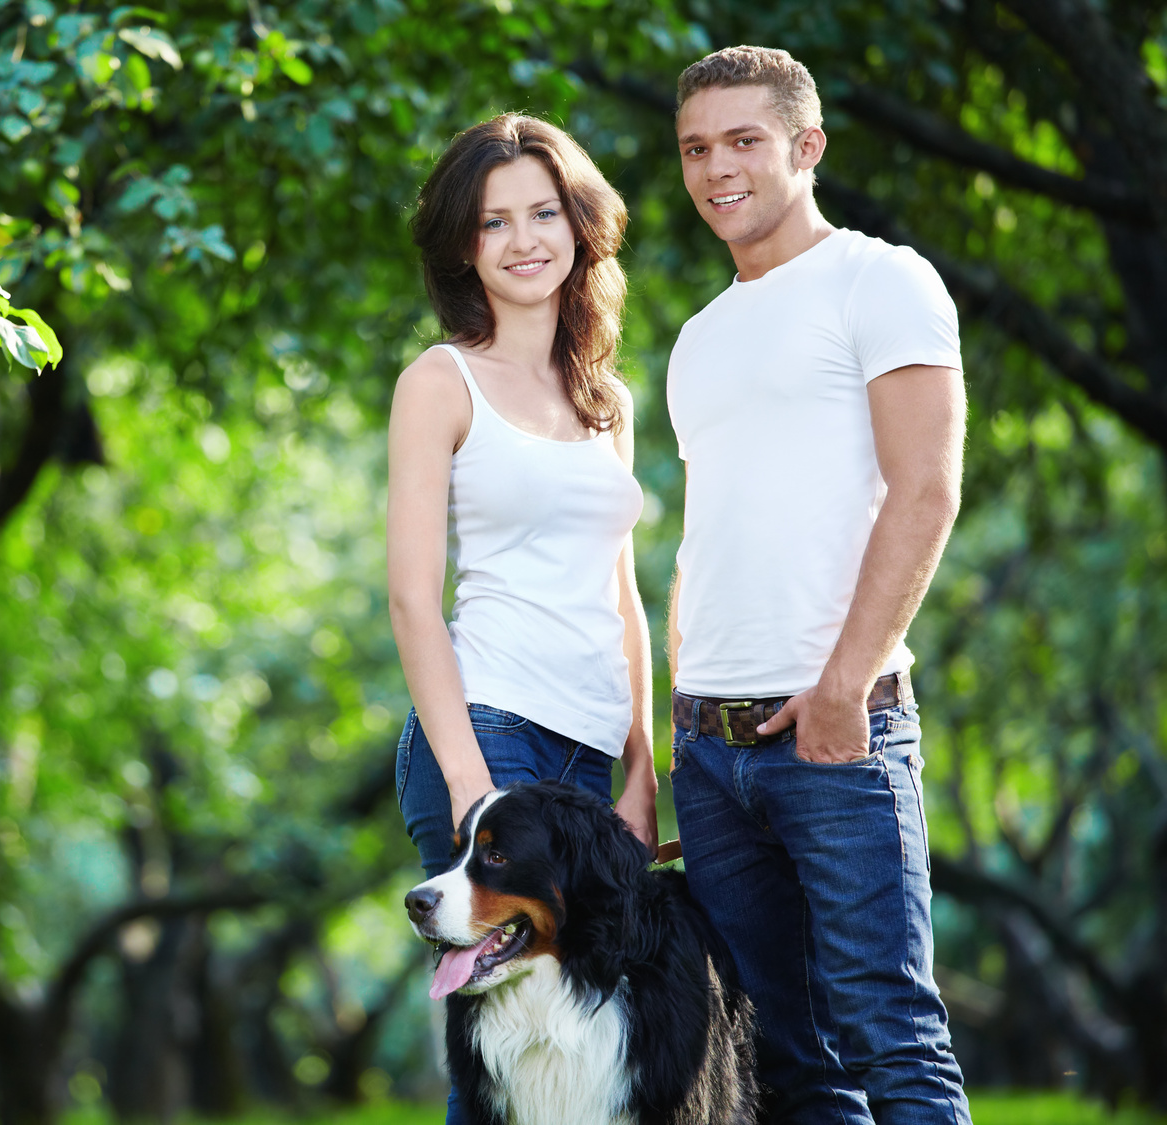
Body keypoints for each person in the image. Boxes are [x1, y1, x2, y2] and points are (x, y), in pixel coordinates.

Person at [665, 46, 971, 1125]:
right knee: (780, 1061)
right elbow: (717, 535)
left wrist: (843, 685)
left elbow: (925, 488)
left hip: (834, 733)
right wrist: (680, 716)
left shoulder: (878, 280)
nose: (716, 170)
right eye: (696, 148)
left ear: (806, 146)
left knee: (888, 1030)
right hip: (708, 751)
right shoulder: (696, 339)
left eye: (743, 141)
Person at [386, 113, 657, 1118]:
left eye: (543, 213)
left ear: (578, 227)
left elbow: (619, 592)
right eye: (494, 222)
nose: (524, 239)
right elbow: (412, 598)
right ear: (465, 245)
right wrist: (468, 783)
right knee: (498, 1051)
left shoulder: (606, 402)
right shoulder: (438, 381)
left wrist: (639, 766)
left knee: (589, 1046)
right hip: (487, 727)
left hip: (592, 756)